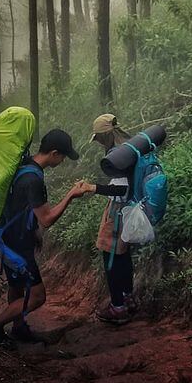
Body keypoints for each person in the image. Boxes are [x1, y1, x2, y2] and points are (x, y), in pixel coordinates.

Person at [0, 128, 88, 343]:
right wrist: (71, 195)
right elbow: (47, 219)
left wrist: (33, 232)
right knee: (37, 296)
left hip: (7, 238)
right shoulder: (33, 180)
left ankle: (19, 328)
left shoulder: (23, 165)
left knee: (17, 286)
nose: (62, 161)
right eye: (62, 157)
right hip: (17, 245)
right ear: (53, 153)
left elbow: (20, 207)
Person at [82, 113, 138, 326]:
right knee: (123, 255)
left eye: (97, 137)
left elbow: (120, 188)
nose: (97, 142)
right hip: (129, 208)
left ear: (104, 136)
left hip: (118, 210)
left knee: (110, 257)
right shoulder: (128, 147)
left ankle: (118, 307)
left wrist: (92, 188)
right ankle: (128, 299)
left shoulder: (116, 153)